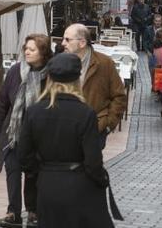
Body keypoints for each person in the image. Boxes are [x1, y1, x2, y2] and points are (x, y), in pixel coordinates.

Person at [18, 53, 118, 228]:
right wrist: (101, 180)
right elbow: (93, 161)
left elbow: (24, 156)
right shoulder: (85, 113)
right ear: (77, 80)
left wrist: (41, 172)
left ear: (49, 78)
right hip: (77, 185)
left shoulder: (34, 112)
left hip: (46, 185)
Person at [0, 34, 53, 228]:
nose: (27, 51)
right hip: (14, 133)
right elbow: (2, 102)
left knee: (33, 174)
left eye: (32, 49)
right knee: (13, 172)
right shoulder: (16, 71)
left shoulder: (51, 75)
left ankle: (33, 211)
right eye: (26, 48)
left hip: (38, 135)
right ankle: (13, 212)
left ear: (43, 53)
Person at [61, 24, 127, 149]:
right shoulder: (60, 62)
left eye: (67, 39)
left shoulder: (104, 63)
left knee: (90, 166)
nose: (63, 43)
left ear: (82, 43)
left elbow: (119, 96)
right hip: (65, 129)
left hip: (94, 129)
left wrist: (107, 125)